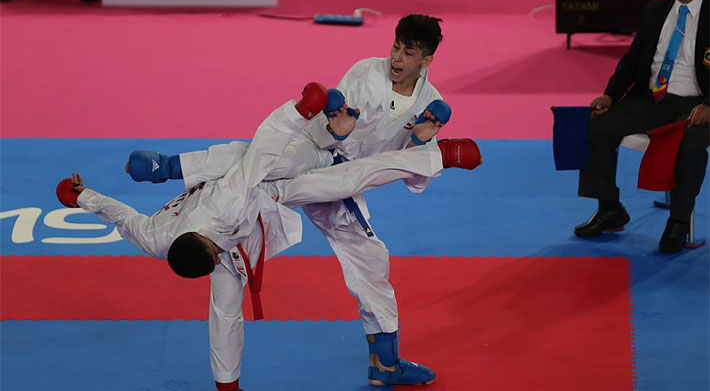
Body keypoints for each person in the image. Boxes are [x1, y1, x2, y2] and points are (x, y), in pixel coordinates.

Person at [58, 82, 483, 391]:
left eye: (214, 248)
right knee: (224, 311)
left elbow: (261, 152)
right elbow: (123, 217)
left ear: (206, 242)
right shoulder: (157, 239)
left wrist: (297, 111)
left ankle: (434, 155)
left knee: (341, 179)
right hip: (247, 216)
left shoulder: (221, 205)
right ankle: (227, 387)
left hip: (259, 191)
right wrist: (83, 198)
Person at [127, 14, 457, 388]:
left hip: (343, 185)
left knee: (370, 258)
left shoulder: (431, 102)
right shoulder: (367, 72)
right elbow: (330, 125)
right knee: (266, 160)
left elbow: (414, 184)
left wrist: (419, 143)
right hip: (318, 153)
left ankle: (385, 363)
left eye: (408, 51)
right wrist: (334, 127)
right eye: (396, 45)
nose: (397, 57)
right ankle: (169, 166)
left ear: (426, 61)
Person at [574, 0, 709, 253]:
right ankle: (609, 208)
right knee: (599, 124)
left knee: (690, 143)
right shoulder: (655, 10)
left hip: (698, 102)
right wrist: (610, 95)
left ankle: (679, 221)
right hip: (653, 97)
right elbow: (632, 59)